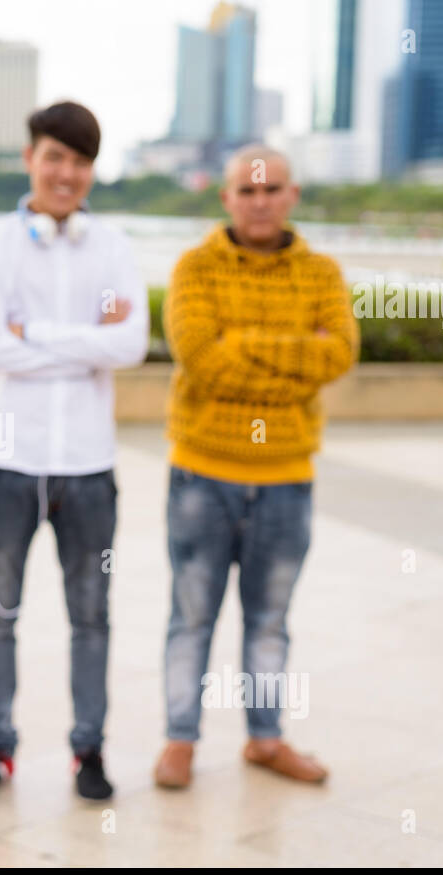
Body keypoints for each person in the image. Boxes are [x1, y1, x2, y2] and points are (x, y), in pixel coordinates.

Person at [0, 102, 150, 801]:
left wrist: (34, 332)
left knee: (92, 614)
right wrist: (83, 340)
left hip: (89, 467)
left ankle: (88, 750)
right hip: (7, 462)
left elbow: (129, 345)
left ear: (92, 169)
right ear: (30, 158)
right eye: (54, 157)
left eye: (80, 161)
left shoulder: (115, 247)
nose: (66, 173)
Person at [153, 144, 358, 789]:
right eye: (247, 190)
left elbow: (339, 356)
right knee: (191, 616)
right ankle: (180, 738)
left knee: (270, 621)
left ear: (292, 195)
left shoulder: (322, 273)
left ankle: (266, 740)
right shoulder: (194, 267)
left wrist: (240, 344)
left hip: (286, 479)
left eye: (272, 190)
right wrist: (293, 358)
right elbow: (200, 357)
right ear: (227, 198)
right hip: (201, 473)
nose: (260, 200)